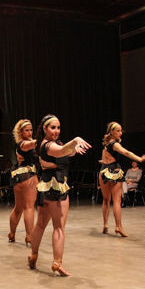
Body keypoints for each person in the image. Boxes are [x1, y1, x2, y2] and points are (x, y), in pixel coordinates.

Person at [27, 114, 91, 276]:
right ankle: (57, 262)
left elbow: (66, 152)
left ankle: (33, 256)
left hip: (45, 187)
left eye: (58, 128)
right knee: (59, 227)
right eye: (52, 127)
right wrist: (75, 141)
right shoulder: (48, 145)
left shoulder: (49, 144)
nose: (56, 131)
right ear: (44, 128)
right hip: (56, 187)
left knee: (40, 224)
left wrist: (73, 149)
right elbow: (62, 151)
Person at [98, 122, 145, 236]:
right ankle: (118, 227)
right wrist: (139, 159)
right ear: (111, 132)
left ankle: (105, 224)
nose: (120, 133)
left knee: (106, 200)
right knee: (117, 201)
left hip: (103, 171)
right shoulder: (114, 144)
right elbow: (126, 152)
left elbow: (104, 159)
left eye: (121, 131)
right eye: (118, 131)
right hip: (114, 171)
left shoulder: (106, 145)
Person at [8, 119, 38, 246]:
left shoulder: (21, 144)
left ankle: (12, 234)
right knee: (29, 207)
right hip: (28, 177)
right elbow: (32, 145)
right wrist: (44, 140)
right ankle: (29, 236)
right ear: (21, 132)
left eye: (31, 130)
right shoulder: (23, 144)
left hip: (18, 177)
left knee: (18, 208)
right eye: (27, 130)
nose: (30, 132)